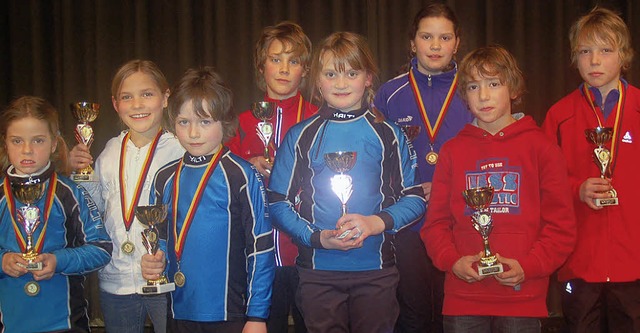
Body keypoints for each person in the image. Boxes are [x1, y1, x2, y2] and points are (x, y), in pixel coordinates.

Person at [267, 31, 426, 333]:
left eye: (351, 73)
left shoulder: (389, 134)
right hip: (318, 273)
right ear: (317, 80)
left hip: (377, 271)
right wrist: (317, 238)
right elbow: (276, 203)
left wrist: (375, 223)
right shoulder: (301, 135)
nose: (341, 84)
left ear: (368, 77)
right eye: (330, 74)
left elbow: (415, 197)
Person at [421, 45, 576, 332]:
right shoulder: (452, 151)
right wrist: (453, 262)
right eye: (473, 86)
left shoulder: (542, 148)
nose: (483, 95)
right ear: (464, 96)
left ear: (513, 89)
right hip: (463, 299)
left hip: (523, 297)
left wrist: (529, 267)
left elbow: (561, 228)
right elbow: (435, 225)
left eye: (493, 84)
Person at [141, 67, 275, 333]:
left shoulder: (242, 175)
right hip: (178, 310)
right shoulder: (164, 177)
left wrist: (257, 316)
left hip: (230, 313)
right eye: (183, 122)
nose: (193, 133)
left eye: (204, 122)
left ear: (224, 122)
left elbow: (260, 248)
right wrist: (154, 260)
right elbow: (159, 237)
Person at [374, 4, 473, 332]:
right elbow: (377, 158)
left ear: (457, 42)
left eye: (444, 38)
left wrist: (449, 187)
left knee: (455, 313)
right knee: (413, 313)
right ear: (412, 42)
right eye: (426, 37)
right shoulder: (390, 93)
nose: (435, 45)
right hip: (409, 224)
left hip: (461, 219)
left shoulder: (474, 89)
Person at [542, 7, 640, 332]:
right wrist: (576, 189)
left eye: (605, 50)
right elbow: (544, 184)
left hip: (633, 264)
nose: (594, 61)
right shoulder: (559, 115)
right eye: (585, 51)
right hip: (579, 263)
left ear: (624, 55)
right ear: (575, 57)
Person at [69, 59, 185, 333]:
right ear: (115, 104)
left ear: (165, 97)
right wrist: (81, 173)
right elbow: (94, 210)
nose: (137, 104)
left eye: (147, 94)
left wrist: (166, 254)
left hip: (164, 279)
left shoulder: (180, 150)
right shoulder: (109, 150)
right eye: (127, 97)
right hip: (116, 278)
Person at [226, 21, 316, 333]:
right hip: (259, 256)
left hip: (309, 251)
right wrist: (246, 163)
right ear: (261, 65)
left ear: (305, 70)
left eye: (293, 61)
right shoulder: (240, 123)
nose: (283, 68)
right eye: (275, 59)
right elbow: (223, 178)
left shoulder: (319, 118)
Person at [0, 96, 112, 332]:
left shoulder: (70, 193)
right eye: (17, 140)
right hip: (11, 325)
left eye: (38, 140)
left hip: (66, 323)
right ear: (6, 144)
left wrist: (58, 261)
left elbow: (101, 248)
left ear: (53, 143)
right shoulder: (1, 196)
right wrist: (2, 261)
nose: (27, 149)